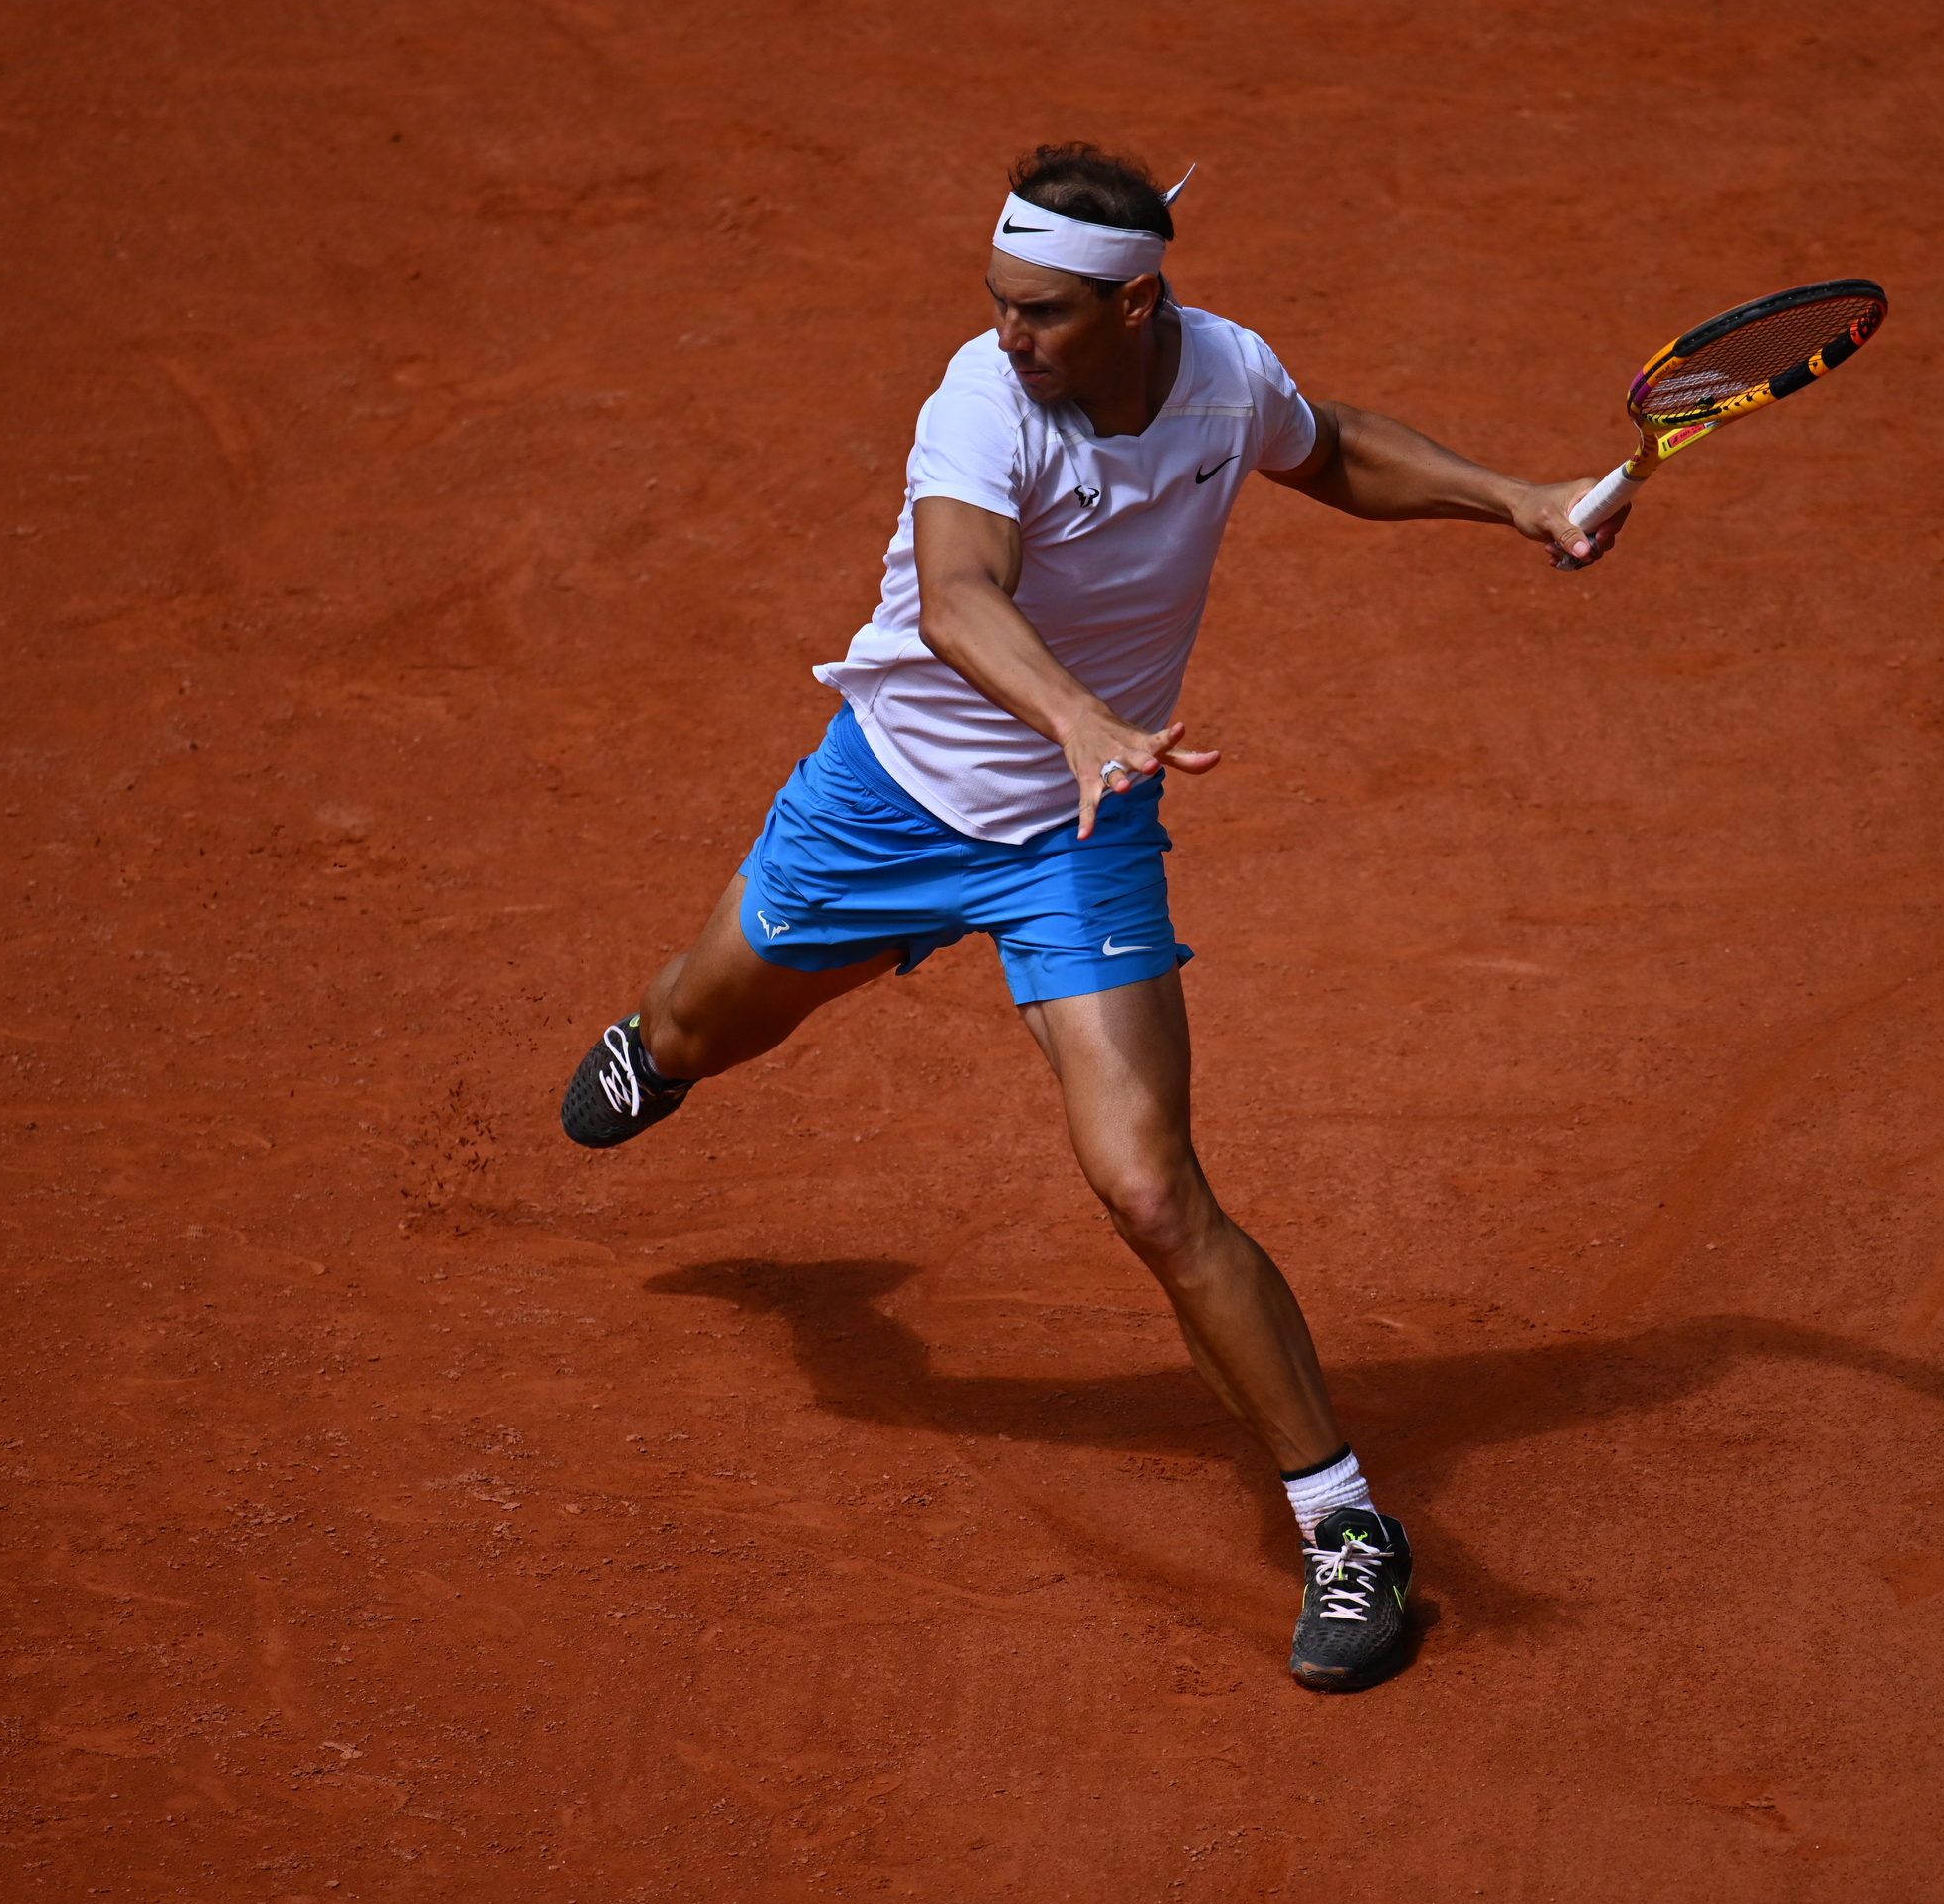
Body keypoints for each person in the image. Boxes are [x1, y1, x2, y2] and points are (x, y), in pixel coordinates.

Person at [560, 143, 1617, 1691]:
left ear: (1137, 304)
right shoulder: (982, 401)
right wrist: (1075, 716)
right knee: (691, 1026)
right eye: (999, 301)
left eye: (1043, 310)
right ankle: (663, 1048)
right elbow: (957, 596)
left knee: (1150, 1189)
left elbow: (1331, 449)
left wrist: (1514, 498)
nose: (1009, 333)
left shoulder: (1224, 378)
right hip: (889, 799)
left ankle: (1345, 1530)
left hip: (1078, 834)